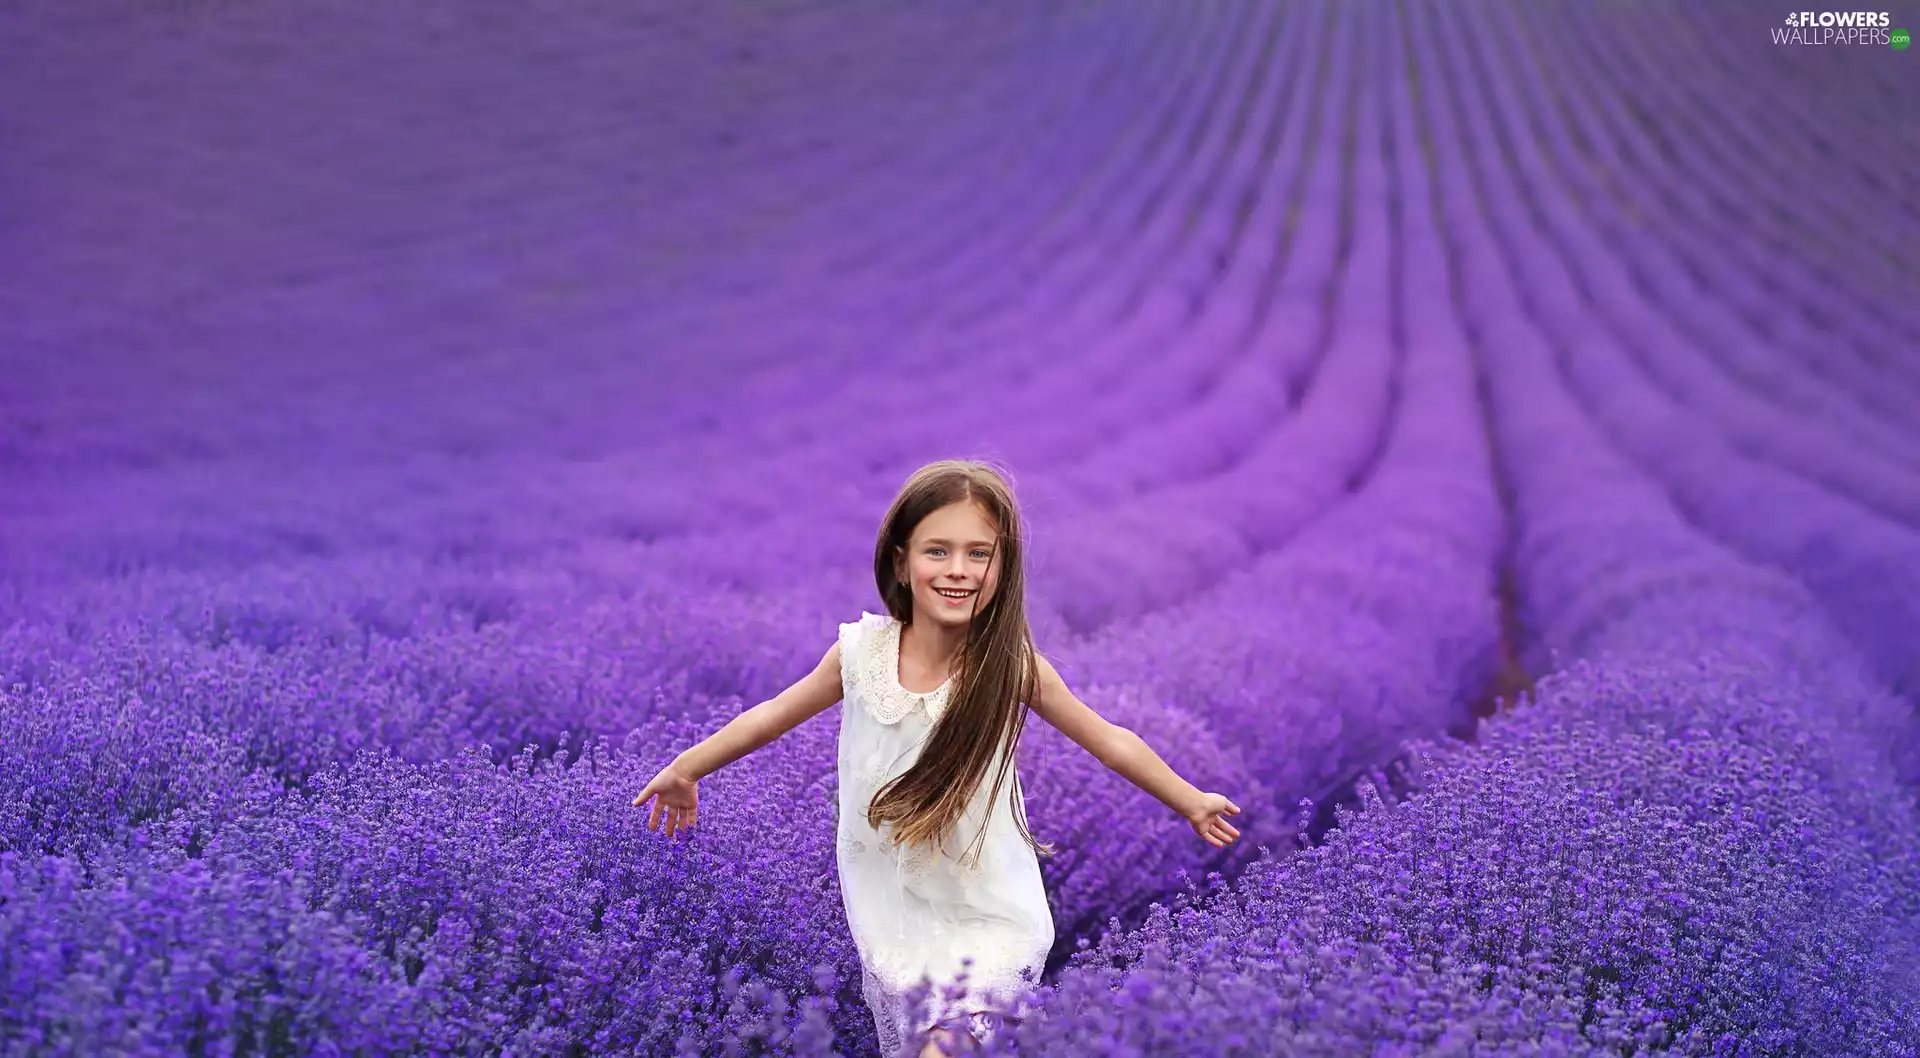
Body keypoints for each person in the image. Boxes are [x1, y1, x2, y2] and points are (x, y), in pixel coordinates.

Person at [633, 459, 1243, 1056]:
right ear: (900, 561)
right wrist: (687, 768)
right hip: (892, 906)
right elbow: (770, 715)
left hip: (991, 904)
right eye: (937, 551)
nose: (958, 570)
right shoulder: (861, 653)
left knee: (949, 1041)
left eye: (980, 553)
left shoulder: (1007, 667)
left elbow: (1108, 739)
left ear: (1004, 568)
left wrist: (1189, 798)